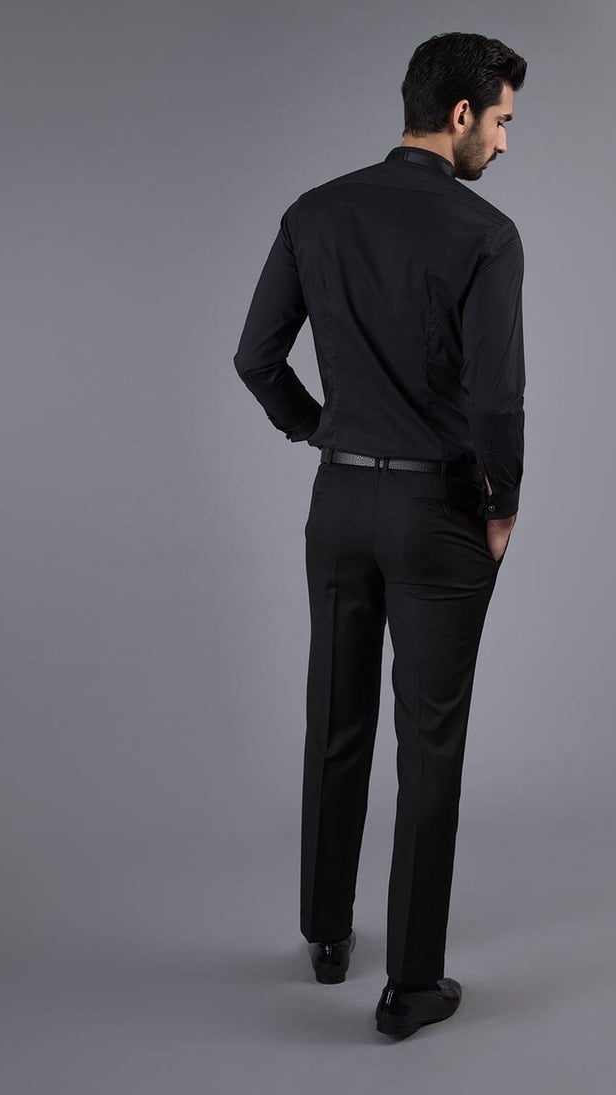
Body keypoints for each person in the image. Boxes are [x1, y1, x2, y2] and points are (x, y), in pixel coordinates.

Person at [231, 31, 528, 1040]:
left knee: (336, 718)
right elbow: (496, 398)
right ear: (460, 114)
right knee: (428, 743)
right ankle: (411, 987)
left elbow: (255, 356)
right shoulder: (486, 233)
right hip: (438, 510)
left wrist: (323, 429)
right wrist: (502, 503)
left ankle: (325, 934)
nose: (504, 143)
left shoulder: (315, 211)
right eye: (501, 122)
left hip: (338, 501)